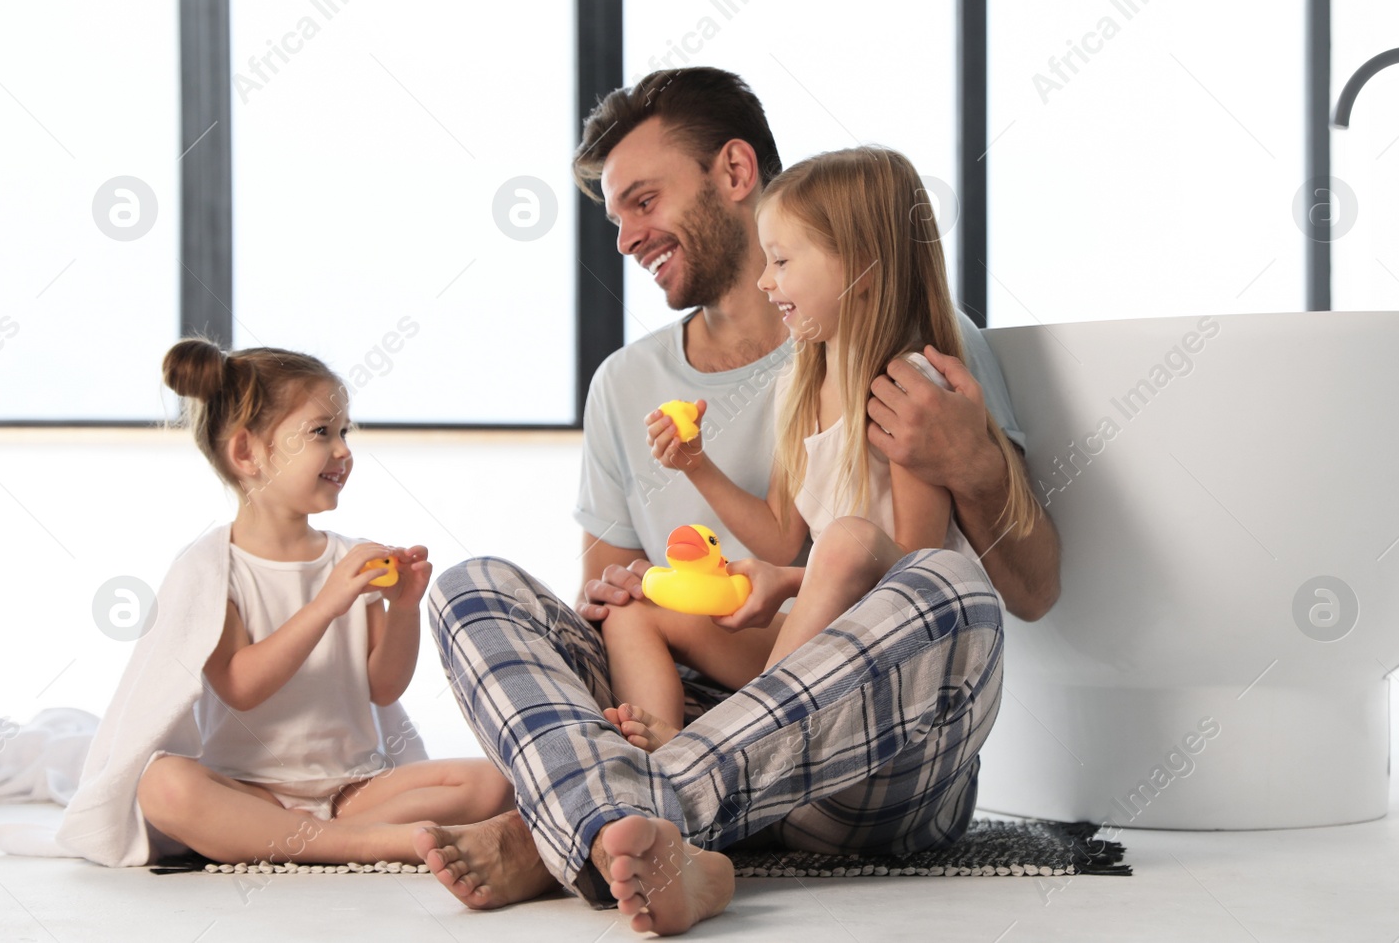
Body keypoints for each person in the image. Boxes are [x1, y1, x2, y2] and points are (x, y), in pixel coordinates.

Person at [414, 68, 1060, 934]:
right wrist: (630, 589)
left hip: (857, 752)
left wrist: (972, 463)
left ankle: (577, 827)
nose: (626, 239)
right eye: (616, 218)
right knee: (470, 586)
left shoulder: (925, 354)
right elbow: (608, 611)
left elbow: (1031, 590)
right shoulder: (626, 384)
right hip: (690, 706)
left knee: (950, 590)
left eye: (644, 200)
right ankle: (651, 825)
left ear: (734, 171)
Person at [600, 146, 1042, 750]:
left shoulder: (908, 391)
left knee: (846, 540)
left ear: (858, 265)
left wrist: (786, 582)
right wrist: (695, 464)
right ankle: (658, 762)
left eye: (780, 260)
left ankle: (716, 754)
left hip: (898, 663)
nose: (764, 280)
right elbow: (782, 534)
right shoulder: (802, 380)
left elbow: (915, 576)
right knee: (634, 606)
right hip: (817, 650)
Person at [124, 338, 512, 865]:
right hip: (250, 790)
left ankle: (300, 839)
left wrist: (403, 608)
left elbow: (383, 687)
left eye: (344, 431)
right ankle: (365, 844)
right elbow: (239, 687)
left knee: (492, 781)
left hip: (354, 791)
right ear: (247, 453)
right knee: (164, 785)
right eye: (320, 432)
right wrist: (326, 604)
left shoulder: (350, 560)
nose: (344, 450)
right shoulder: (213, 568)